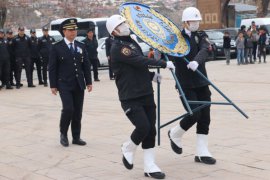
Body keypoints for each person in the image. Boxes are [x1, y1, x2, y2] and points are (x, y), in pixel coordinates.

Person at [106, 14, 175, 179]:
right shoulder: (118, 47)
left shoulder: (131, 41)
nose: (125, 26)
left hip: (145, 92)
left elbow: (136, 68)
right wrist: (164, 64)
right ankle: (128, 147)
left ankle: (150, 166)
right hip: (130, 96)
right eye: (121, 24)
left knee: (151, 130)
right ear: (114, 31)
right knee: (143, 127)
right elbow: (139, 60)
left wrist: (151, 76)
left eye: (124, 22)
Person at [167, 7, 216, 165]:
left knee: (205, 117)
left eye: (197, 21)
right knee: (194, 114)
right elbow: (167, 53)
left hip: (202, 81)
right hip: (185, 83)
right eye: (193, 21)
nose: (195, 24)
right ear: (185, 22)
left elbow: (205, 49)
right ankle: (175, 133)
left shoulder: (201, 35)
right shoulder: (175, 38)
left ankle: (202, 152)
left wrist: (197, 61)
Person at [49, 18, 92, 147]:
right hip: (64, 84)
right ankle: (63, 134)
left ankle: (76, 137)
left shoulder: (80, 46)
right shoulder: (57, 47)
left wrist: (89, 82)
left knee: (78, 111)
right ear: (64, 31)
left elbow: (86, 65)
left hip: (79, 83)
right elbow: (52, 68)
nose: (73, 32)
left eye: (75, 30)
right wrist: (53, 85)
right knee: (68, 109)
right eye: (70, 30)